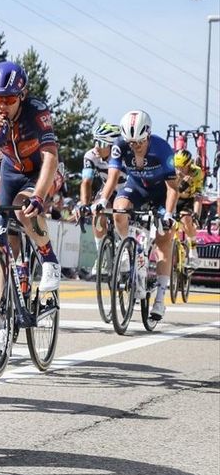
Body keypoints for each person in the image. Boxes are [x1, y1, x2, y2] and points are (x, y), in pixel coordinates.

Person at [0, 61, 64, 354]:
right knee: (4, 245)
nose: (2, 106)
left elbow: (50, 157)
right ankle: (3, 321)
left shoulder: (37, 112)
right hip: (9, 173)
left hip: (41, 171)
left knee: (24, 208)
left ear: (22, 96)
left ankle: (49, 260)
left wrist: (40, 195)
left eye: (8, 99)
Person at [94, 110, 180, 321]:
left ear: (148, 135)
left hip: (162, 192)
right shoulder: (120, 145)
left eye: (139, 142)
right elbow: (113, 177)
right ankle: (127, 250)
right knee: (118, 209)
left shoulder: (162, 149)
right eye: (131, 142)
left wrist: (168, 214)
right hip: (137, 187)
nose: (135, 146)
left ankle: (160, 298)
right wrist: (103, 200)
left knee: (164, 240)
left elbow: (173, 189)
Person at [77, 122, 121, 239]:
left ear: (113, 146)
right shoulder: (91, 156)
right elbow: (86, 182)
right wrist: (84, 205)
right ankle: (101, 252)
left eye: (101, 143)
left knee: (122, 213)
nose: (96, 146)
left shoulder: (124, 156)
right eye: (95, 141)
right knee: (97, 212)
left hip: (127, 189)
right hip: (108, 189)